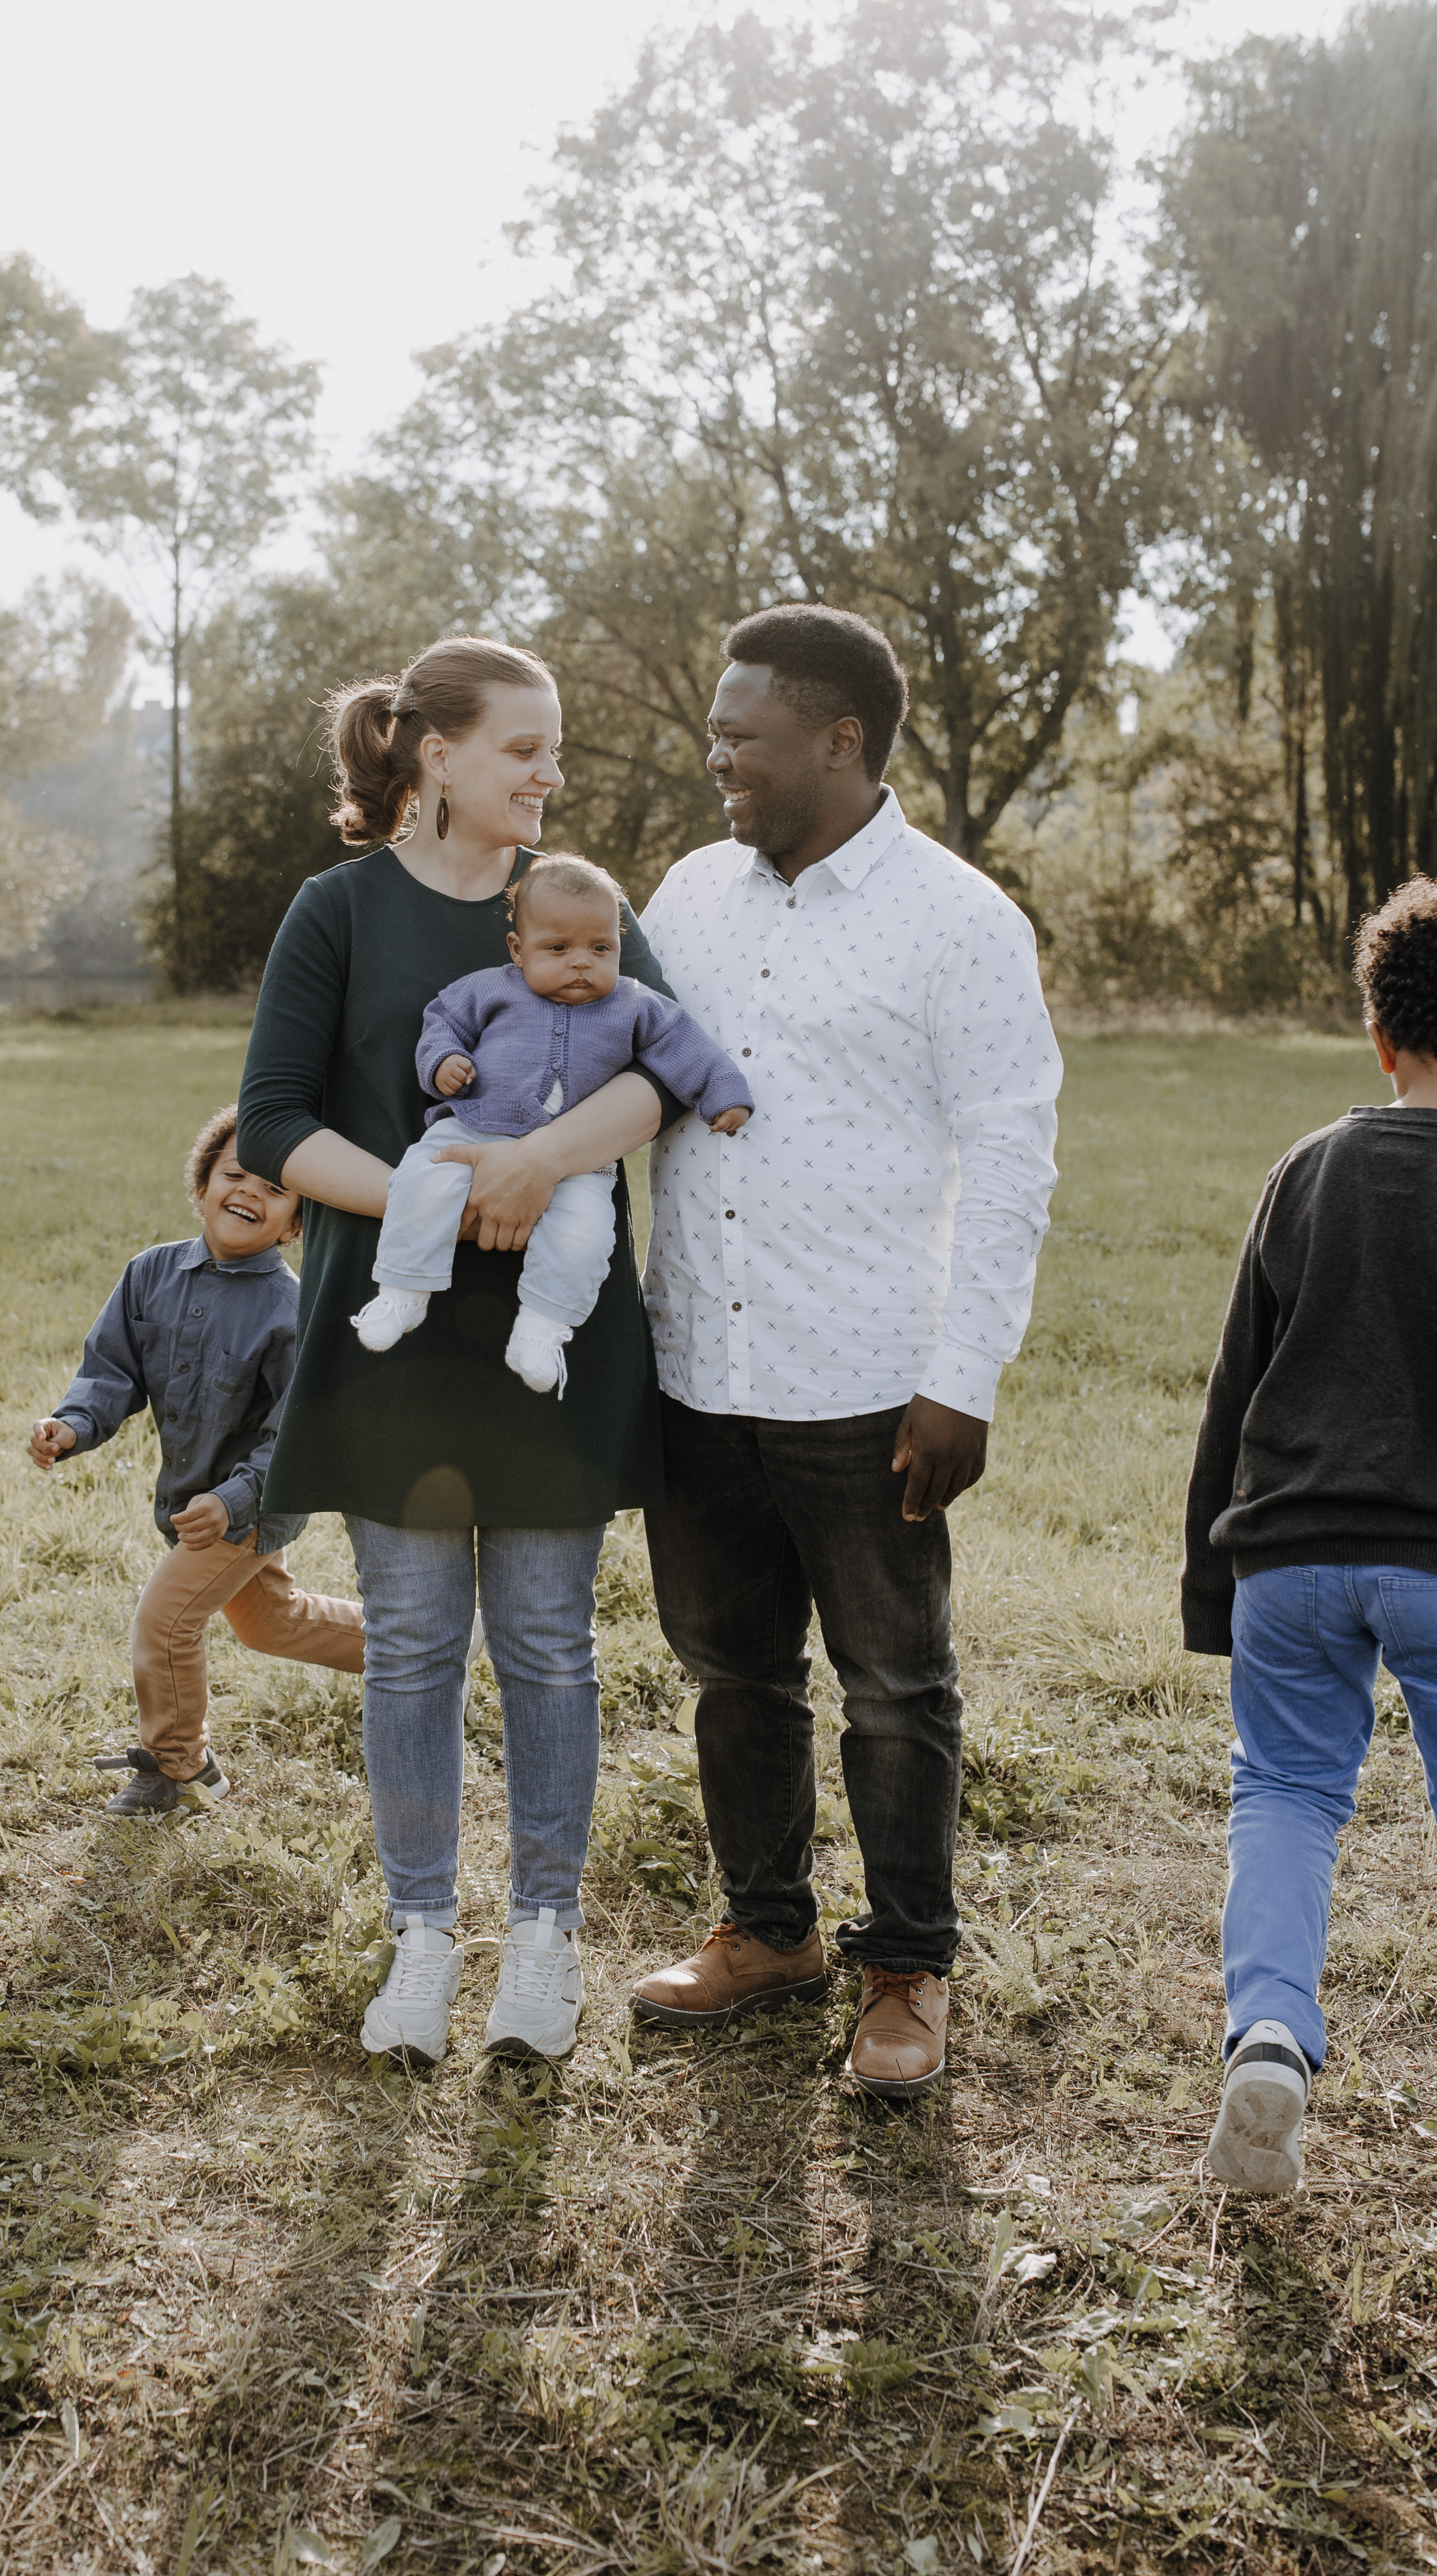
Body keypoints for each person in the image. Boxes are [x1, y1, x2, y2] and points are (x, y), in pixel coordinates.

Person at [628, 604, 1061, 2096]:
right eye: (712, 735)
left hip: (870, 1375)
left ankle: (906, 1968)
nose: (717, 760)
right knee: (729, 1668)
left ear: (839, 739)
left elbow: (1009, 1159)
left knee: (893, 1684)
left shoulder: (959, 920)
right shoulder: (687, 893)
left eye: (739, 736)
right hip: (695, 1362)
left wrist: (964, 1375)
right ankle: (767, 1931)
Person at [236, 636, 680, 2068]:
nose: (549, 775)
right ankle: (420, 1935)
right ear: (437, 755)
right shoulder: (337, 910)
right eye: (523, 749)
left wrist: (535, 1165)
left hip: (554, 1341)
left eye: (555, 751)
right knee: (414, 1646)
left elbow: (663, 1071)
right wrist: (440, 1191)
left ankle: (543, 1937)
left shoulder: (578, 904)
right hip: (395, 1333)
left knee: (548, 1642)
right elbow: (274, 1121)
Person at [1185, 875, 1437, 2243]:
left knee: (1282, 1790)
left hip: (1287, 1554)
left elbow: (1233, 1389)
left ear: (1378, 1039)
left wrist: (1208, 1585)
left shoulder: (1307, 1168)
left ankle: (1269, 2030)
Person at [29, 1106, 364, 1816]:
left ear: (297, 1219)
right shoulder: (150, 1273)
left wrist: (235, 1499)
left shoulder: (291, 1310)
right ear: (203, 1182)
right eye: (235, 1174)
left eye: (275, 1187)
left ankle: (178, 1767)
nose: (249, 1192)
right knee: (270, 1622)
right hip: (192, 1497)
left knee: (165, 1621)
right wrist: (71, 1425)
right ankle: (425, 1649)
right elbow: (111, 1373)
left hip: (253, 1502)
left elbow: (298, 1433)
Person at [354, 852, 753, 1395]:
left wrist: (723, 1094)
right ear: (518, 949)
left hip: (577, 1162)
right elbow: (441, 1023)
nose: (581, 962)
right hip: (472, 1125)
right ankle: (401, 1291)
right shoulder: (488, 988)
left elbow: (685, 1045)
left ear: (618, 945)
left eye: (600, 948)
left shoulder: (636, 1004)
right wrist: (442, 1061)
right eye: (558, 948)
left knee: (585, 1235)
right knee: (420, 1183)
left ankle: (542, 1330)